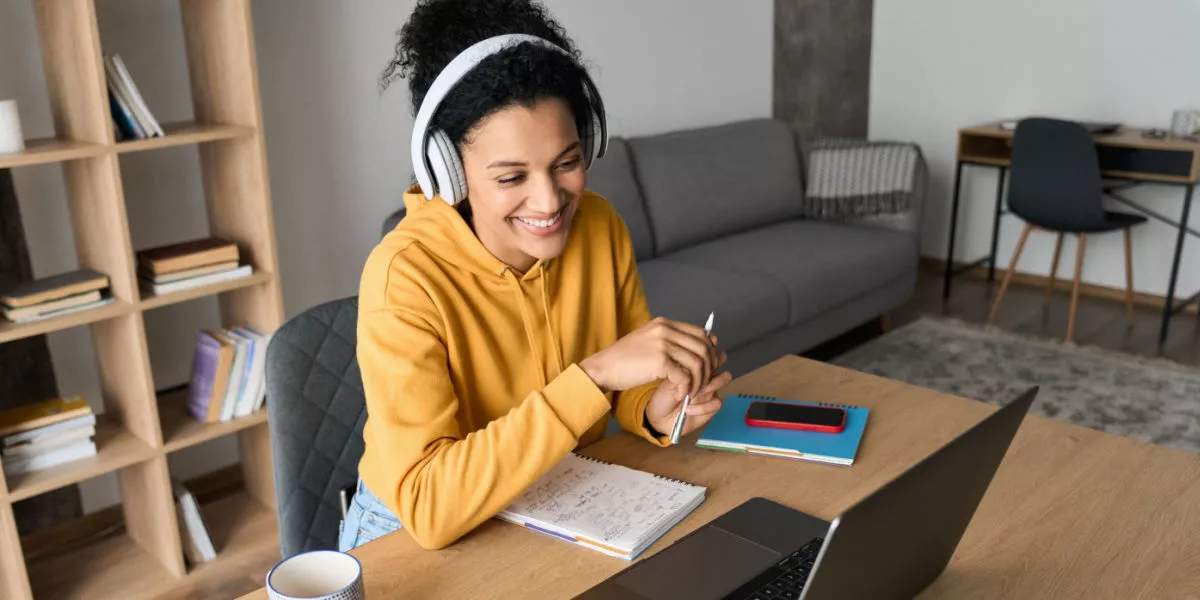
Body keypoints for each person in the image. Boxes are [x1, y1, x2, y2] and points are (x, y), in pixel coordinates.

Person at [342, 0, 731, 552]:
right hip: (407, 534)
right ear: (447, 171)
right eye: (511, 176)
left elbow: (626, 378)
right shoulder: (403, 278)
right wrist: (592, 377)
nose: (550, 200)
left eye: (567, 162)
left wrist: (654, 404)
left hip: (555, 494)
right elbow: (429, 504)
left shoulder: (598, 224)